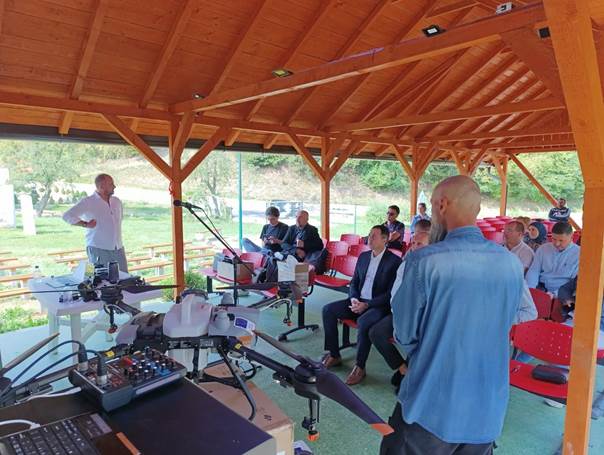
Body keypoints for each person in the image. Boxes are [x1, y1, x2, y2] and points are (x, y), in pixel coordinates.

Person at [381, 175, 526, 455]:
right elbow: (509, 320)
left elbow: (404, 333)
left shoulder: (425, 261)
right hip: (487, 407)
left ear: (442, 205)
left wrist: (433, 349)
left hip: (432, 405)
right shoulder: (511, 264)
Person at [321, 225, 402, 385]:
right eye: (369, 235)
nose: (369, 239)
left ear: (385, 239)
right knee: (328, 310)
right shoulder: (364, 256)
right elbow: (354, 282)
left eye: (374, 236)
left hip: (377, 306)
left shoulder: (394, 261)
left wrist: (367, 305)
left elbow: (390, 294)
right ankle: (334, 354)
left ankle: (360, 367)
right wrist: (353, 299)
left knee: (364, 322)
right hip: (357, 300)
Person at [369, 230, 430, 394]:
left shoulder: (433, 268)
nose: (414, 247)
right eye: (413, 243)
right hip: (401, 313)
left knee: (418, 339)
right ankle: (404, 369)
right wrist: (398, 312)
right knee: (376, 333)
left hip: (422, 317)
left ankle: (412, 377)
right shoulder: (405, 264)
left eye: (420, 244)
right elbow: (395, 292)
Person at [62, 174, 127, 272]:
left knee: (125, 277)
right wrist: (85, 224)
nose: (114, 186)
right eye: (111, 184)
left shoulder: (117, 202)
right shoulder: (88, 202)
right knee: (101, 279)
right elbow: (67, 216)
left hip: (118, 248)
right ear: (102, 186)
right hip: (98, 248)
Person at [526, 221, 580, 297]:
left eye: (561, 240)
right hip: (541, 287)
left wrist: (555, 294)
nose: (557, 244)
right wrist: (530, 290)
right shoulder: (543, 249)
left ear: (571, 237)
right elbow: (534, 271)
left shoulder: (579, 254)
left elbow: (574, 283)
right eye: (554, 239)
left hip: (564, 292)